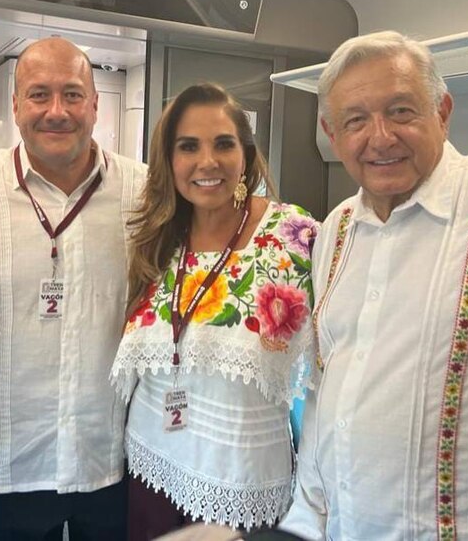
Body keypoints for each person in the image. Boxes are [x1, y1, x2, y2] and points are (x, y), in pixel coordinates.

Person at [275, 31, 468, 539]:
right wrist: (306, 520)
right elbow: (329, 385)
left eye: (402, 111)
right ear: (332, 133)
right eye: (356, 120)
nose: (380, 137)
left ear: (443, 112)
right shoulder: (336, 228)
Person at [0, 37, 146, 540]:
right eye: (39, 95)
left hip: (109, 458)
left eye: (72, 94)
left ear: (95, 105)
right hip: (4, 464)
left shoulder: (144, 192)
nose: (56, 111)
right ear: (17, 105)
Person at [111, 83, 318, 539]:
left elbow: (332, 365)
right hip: (151, 469)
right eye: (188, 147)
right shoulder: (159, 236)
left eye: (223, 144)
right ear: (170, 160)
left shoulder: (294, 236)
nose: (207, 162)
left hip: (240, 481)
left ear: (245, 154)